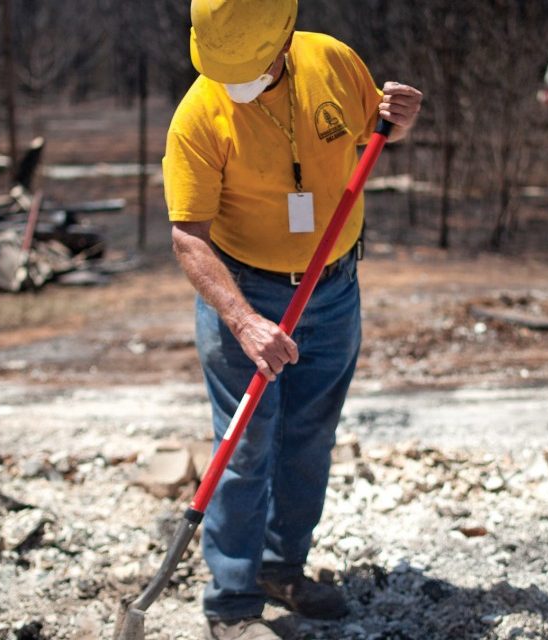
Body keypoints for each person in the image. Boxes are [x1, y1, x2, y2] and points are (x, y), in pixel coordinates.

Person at [162, 1, 422, 638]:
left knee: (310, 437)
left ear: (282, 39)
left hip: (333, 289)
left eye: (247, 67)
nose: (235, 81)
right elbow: (188, 236)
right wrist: (244, 321)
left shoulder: (332, 62)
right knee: (245, 444)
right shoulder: (199, 116)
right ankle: (231, 602)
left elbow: (372, 131)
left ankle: (282, 567)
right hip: (244, 293)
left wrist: (400, 121)